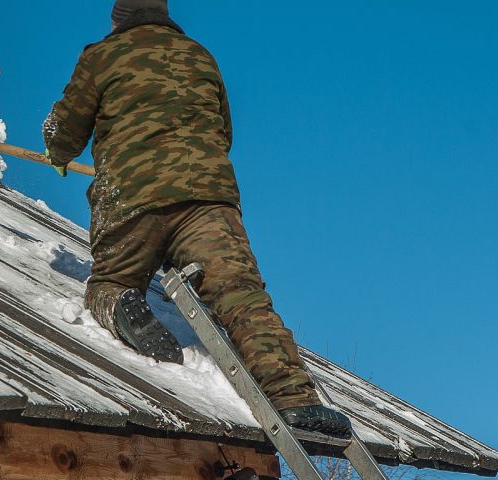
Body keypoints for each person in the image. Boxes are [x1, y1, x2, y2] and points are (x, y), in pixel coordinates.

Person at [42, 0, 351, 436]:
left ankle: (122, 304)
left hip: (133, 196)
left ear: (119, 19)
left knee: (112, 279)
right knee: (242, 296)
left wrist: (57, 153)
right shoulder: (201, 55)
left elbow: (67, 127)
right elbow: (223, 130)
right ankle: (295, 399)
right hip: (208, 197)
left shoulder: (101, 55)